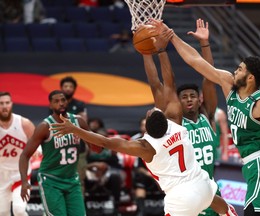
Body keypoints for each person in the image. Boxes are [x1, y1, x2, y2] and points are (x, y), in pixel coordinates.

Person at [49, 30, 236, 216]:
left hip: (182, 196)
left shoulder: (146, 146)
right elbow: (168, 83)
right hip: (202, 184)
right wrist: (161, 51)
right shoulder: (177, 124)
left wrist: (74, 129)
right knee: (223, 207)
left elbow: (105, 142)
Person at [150, 19, 260, 215]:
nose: (235, 70)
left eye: (240, 69)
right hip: (253, 166)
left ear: (250, 78)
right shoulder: (228, 83)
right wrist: (171, 36)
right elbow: (195, 61)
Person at [19, 90, 102, 216]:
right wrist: (25, 181)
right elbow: (24, 155)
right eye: (56, 101)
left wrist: (100, 143)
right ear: (50, 106)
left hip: (72, 180)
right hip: (51, 181)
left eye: (63, 100)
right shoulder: (45, 126)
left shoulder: (78, 122)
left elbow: (94, 147)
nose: (61, 103)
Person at [176, 18, 225, 216]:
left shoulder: (208, 116)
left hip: (211, 188)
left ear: (199, 100)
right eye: (184, 97)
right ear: (178, 102)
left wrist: (204, 44)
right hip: (187, 192)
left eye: (193, 96)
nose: (189, 100)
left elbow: (210, 77)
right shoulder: (177, 123)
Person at [0, 92, 35, 216]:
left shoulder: (24, 124)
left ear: (11, 104)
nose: (4, 106)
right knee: (2, 212)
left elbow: (38, 145)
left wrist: (38, 153)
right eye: (1, 103)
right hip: (1, 176)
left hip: (21, 175)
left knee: (19, 210)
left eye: (7, 103)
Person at [60, 76, 88, 196]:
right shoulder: (56, 105)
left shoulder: (80, 105)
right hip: (60, 147)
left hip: (78, 148)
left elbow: (83, 123)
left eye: (70, 86)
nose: (68, 89)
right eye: (65, 86)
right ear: (61, 88)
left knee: (78, 180)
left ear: (75, 89)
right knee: (59, 180)